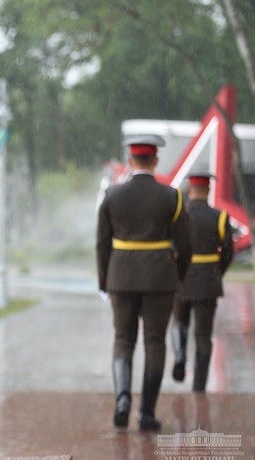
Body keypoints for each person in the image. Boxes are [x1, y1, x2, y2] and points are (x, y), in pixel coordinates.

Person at [96, 134, 192, 431]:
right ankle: (147, 413)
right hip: (160, 279)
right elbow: (186, 245)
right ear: (155, 161)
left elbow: (102, 243)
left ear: (129, 161)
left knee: (123, 340)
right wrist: (177, 275)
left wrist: (104, 281)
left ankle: (123, 399)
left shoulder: (112, 195)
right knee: (154, 343)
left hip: (121, 278)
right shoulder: (172, 196)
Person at [171, 173, 233, 392]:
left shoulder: (180, 216)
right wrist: (217, 271)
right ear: (207, 191)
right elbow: (227, 252)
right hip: (207, 280)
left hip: (181, 279)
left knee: (179, 322)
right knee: (203, 336)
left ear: (190, 191)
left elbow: (171, 247)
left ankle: (179, 355)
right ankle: (199, 386)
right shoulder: (220, 217)